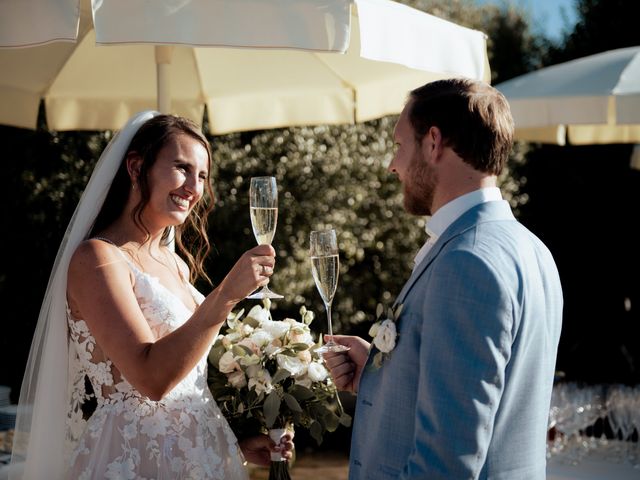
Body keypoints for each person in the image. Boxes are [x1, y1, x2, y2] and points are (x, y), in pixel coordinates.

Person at [9, 111, 292, 479]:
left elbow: (184, 382)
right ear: (136, 166)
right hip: (130, 461)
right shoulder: (97, 259)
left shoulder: (175, 265)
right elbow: (150, 379)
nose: (194, 186)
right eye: (181, 168)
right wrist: (225, 296)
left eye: (202, 175)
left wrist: (233, 446)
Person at [324, 78, 563, 479]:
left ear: (433, 142)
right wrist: (381, 374)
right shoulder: (533, 249)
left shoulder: (466, 260)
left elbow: (447, 461)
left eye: (399, 145)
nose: (392, 165)